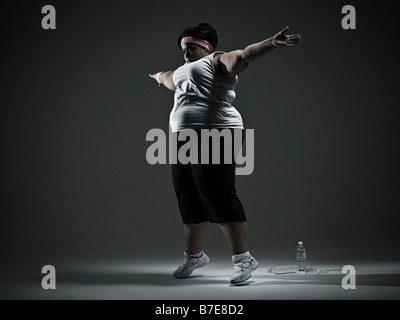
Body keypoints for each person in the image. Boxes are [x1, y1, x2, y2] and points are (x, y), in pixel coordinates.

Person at [149, 23, 300, 285]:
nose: (186, 53)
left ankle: (244, 260)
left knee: (217, 193)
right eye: (184, 48)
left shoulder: (216, 61)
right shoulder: (183, 71)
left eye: (191, 47)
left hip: (217, 134)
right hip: (183, 139)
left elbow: (243, 56)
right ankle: (194, 256)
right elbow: (167, 77)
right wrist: (158, 76)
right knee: (188, 196)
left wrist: (270, 44)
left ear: (206, 47)